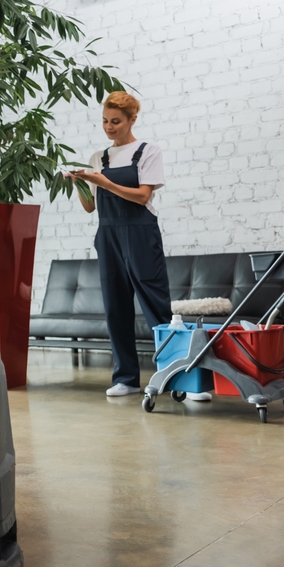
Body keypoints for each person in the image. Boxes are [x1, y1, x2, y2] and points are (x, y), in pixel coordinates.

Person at [68, 92, 206, 400]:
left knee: (157, 306)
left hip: (141, 233)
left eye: (116, 121)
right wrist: (78, 183)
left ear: (132, 119)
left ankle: (182, 378)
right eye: (105, 121)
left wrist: (104, 183)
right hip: (108, 235)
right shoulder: (97, 159)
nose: (109, 127)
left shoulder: (147, 151)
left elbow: (143, 196)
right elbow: (90, 207)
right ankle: (126, 378)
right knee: (116, 307)